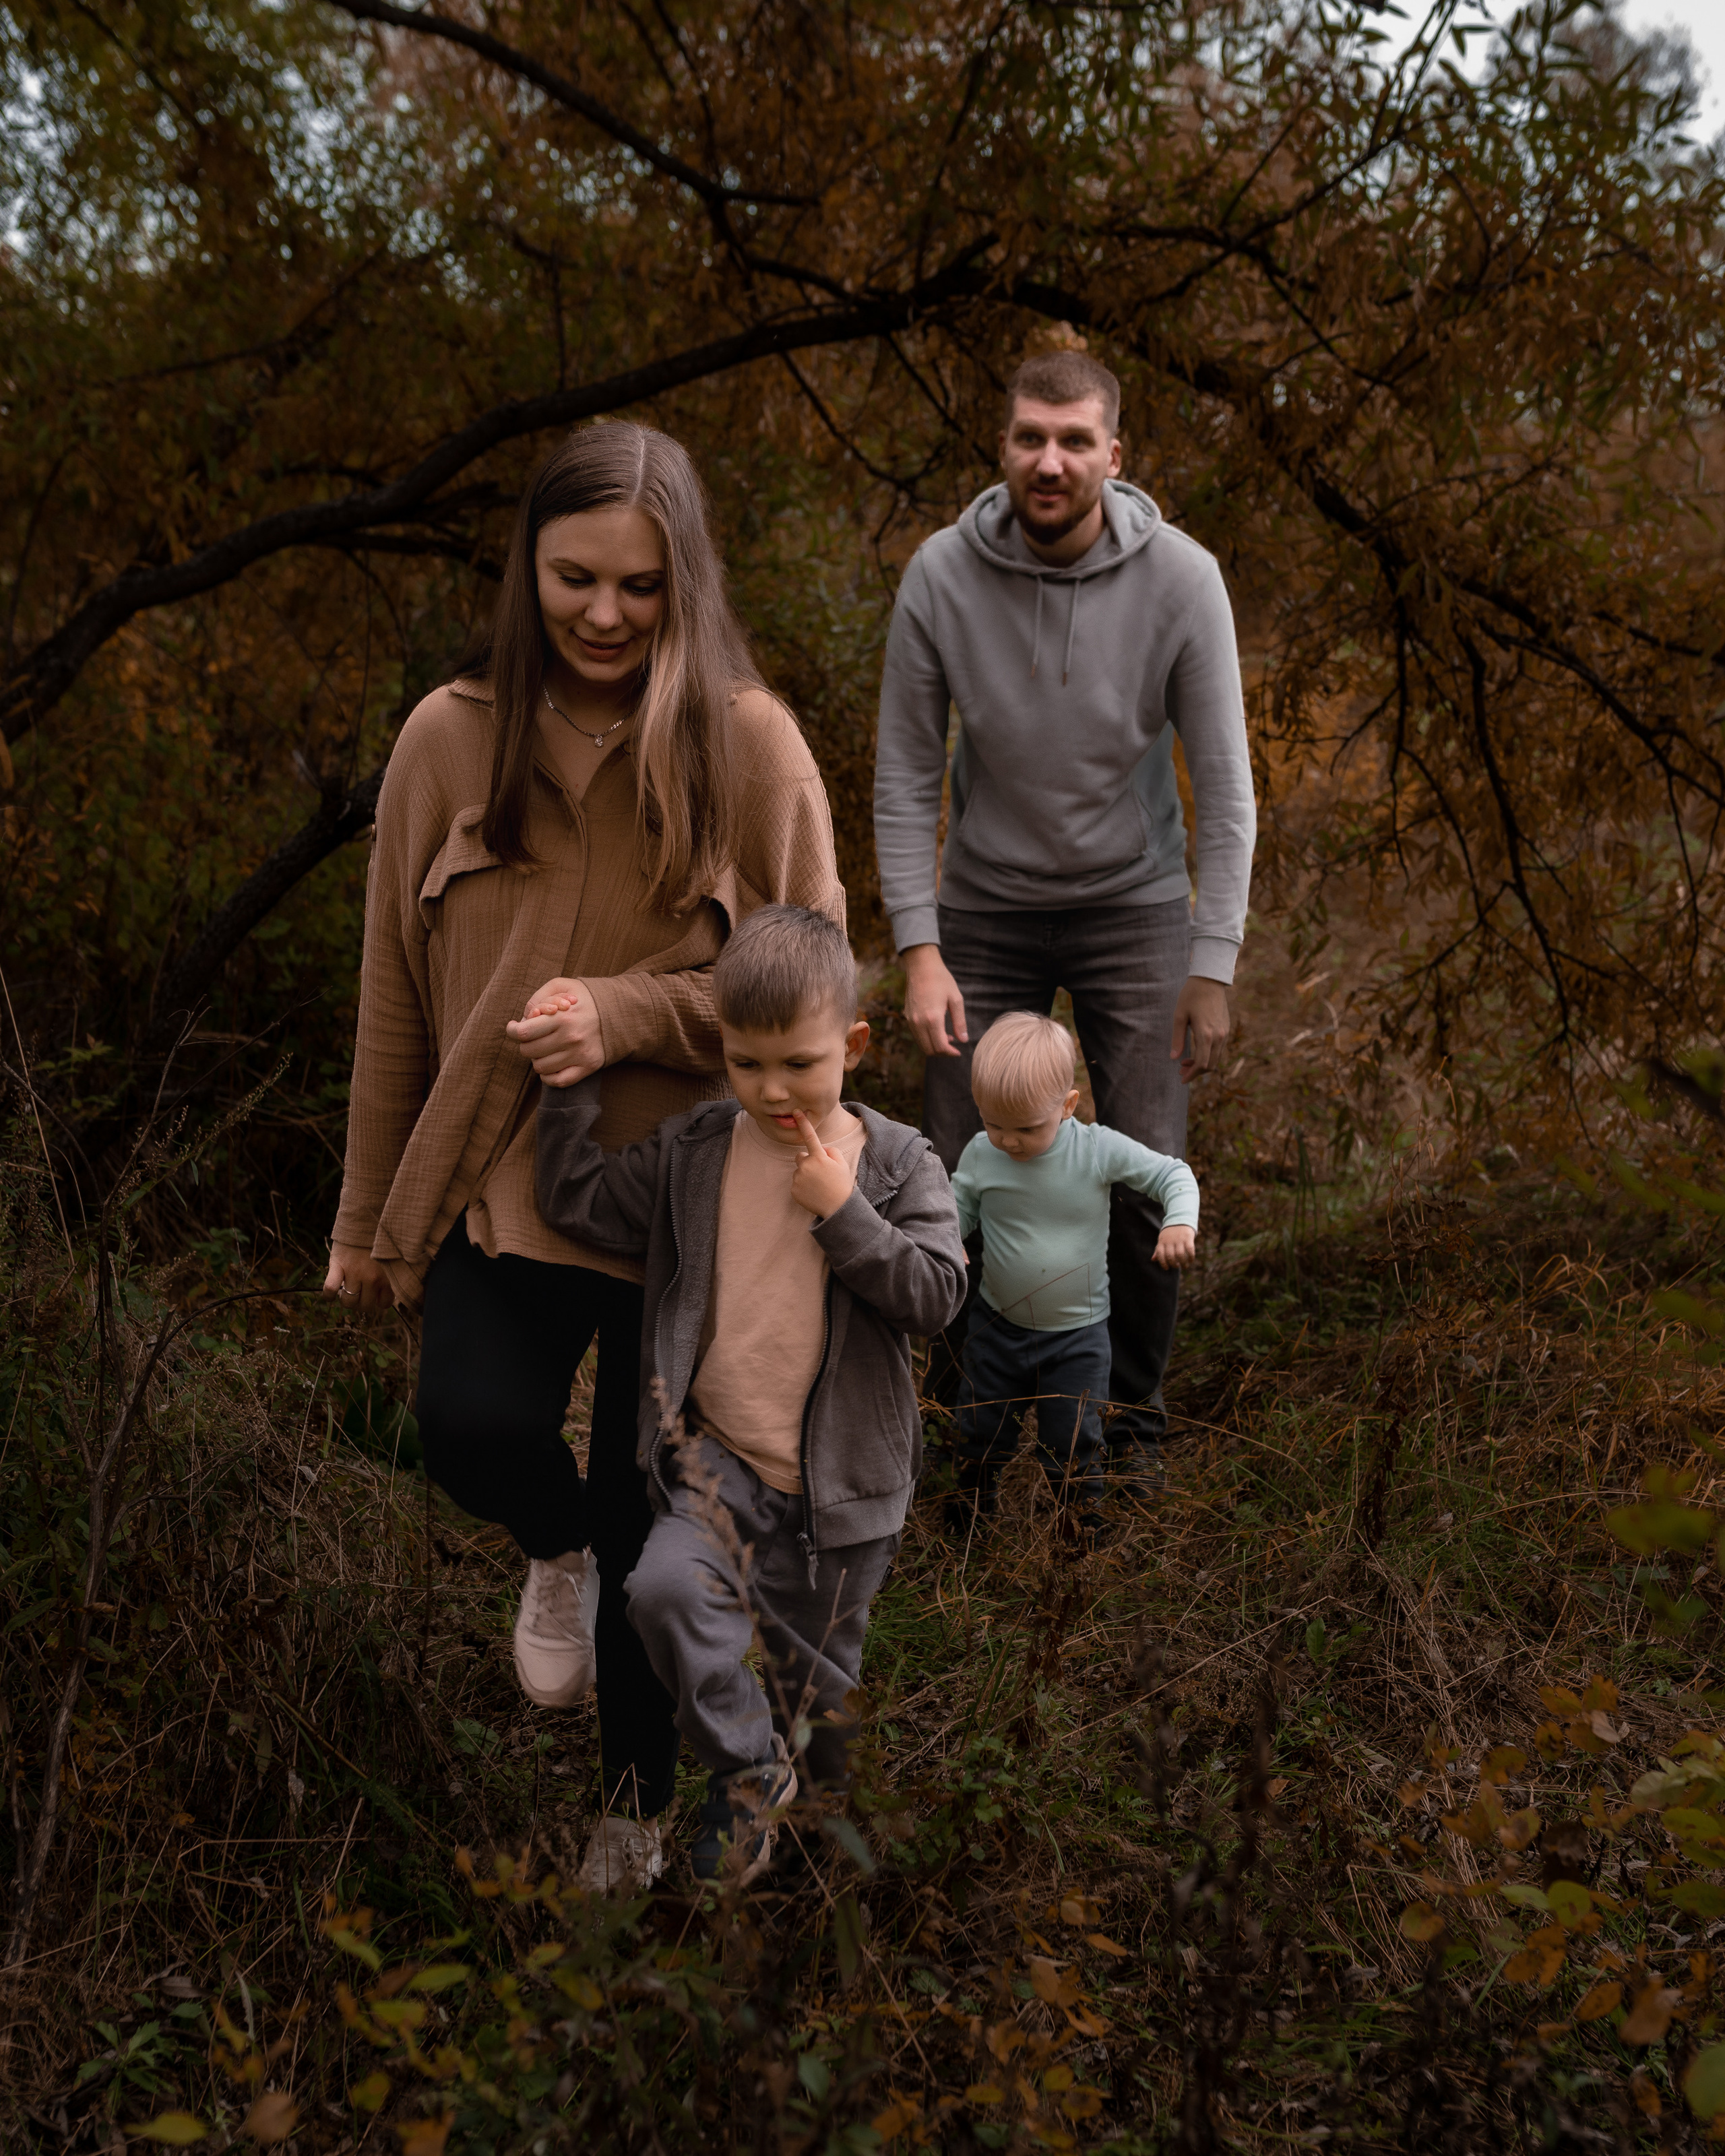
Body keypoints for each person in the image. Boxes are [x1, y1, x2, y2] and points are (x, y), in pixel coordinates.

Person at [323, 424, 843, 1893]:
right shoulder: (449, 735)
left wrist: (624, 1012)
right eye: (574, 580)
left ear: (686, 580)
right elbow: (391, 992)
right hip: (502, 1185)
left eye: (640, 586)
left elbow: (814, 984)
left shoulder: (747, 741)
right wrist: (371, 1216)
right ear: (526, 569)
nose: (606, 615)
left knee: (643, 1517)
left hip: (688, 1207)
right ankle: (543, 1552)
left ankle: (628, 1813)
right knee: (468, 1424)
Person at [873, 348, 1255, 1476]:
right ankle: (962, 1428)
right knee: (954, 1175)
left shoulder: (1184, 580)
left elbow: (1225, 783)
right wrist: (919, 947)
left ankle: (1119, 1429)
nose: (1051, 461)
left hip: (1135, 907)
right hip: (982, 910)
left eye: (1075, 440)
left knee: (1139, 1165)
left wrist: (1212, 961)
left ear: (1114, 456)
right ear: (1003, 448)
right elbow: (902, 773)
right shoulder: (939, 577)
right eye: (1031, 437)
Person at [533, 906, 966, 1882]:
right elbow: (582, 1202)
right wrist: (570, 1082)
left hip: (841, 1495)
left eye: (801, 1066)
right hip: (715, 1467)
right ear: (723, 1052)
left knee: (820, 1709)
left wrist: (845, 1216)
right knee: (661, 1593)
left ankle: (823, 1888)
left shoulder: (896, 1166)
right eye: (748, 1064)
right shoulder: (699, 1155)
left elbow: (939, 1297)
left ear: (853, 1045)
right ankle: (745, 1776)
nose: (775, 1092)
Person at [948, 1011, 1199, 1544]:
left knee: (1072, 1438)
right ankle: (970, 1512)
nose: (1008, 1141)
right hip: (997, 1327)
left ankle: (1079, 1526)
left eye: (1026, 1128)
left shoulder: (1095, 1150)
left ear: (1067, 1106)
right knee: (982, 1428)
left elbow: (1172, 1173)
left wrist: (1179, 1220)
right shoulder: (980, 1152)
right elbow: (957, 1209)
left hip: (1078, 1337)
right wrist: (945, 1239)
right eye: (993, 1124)